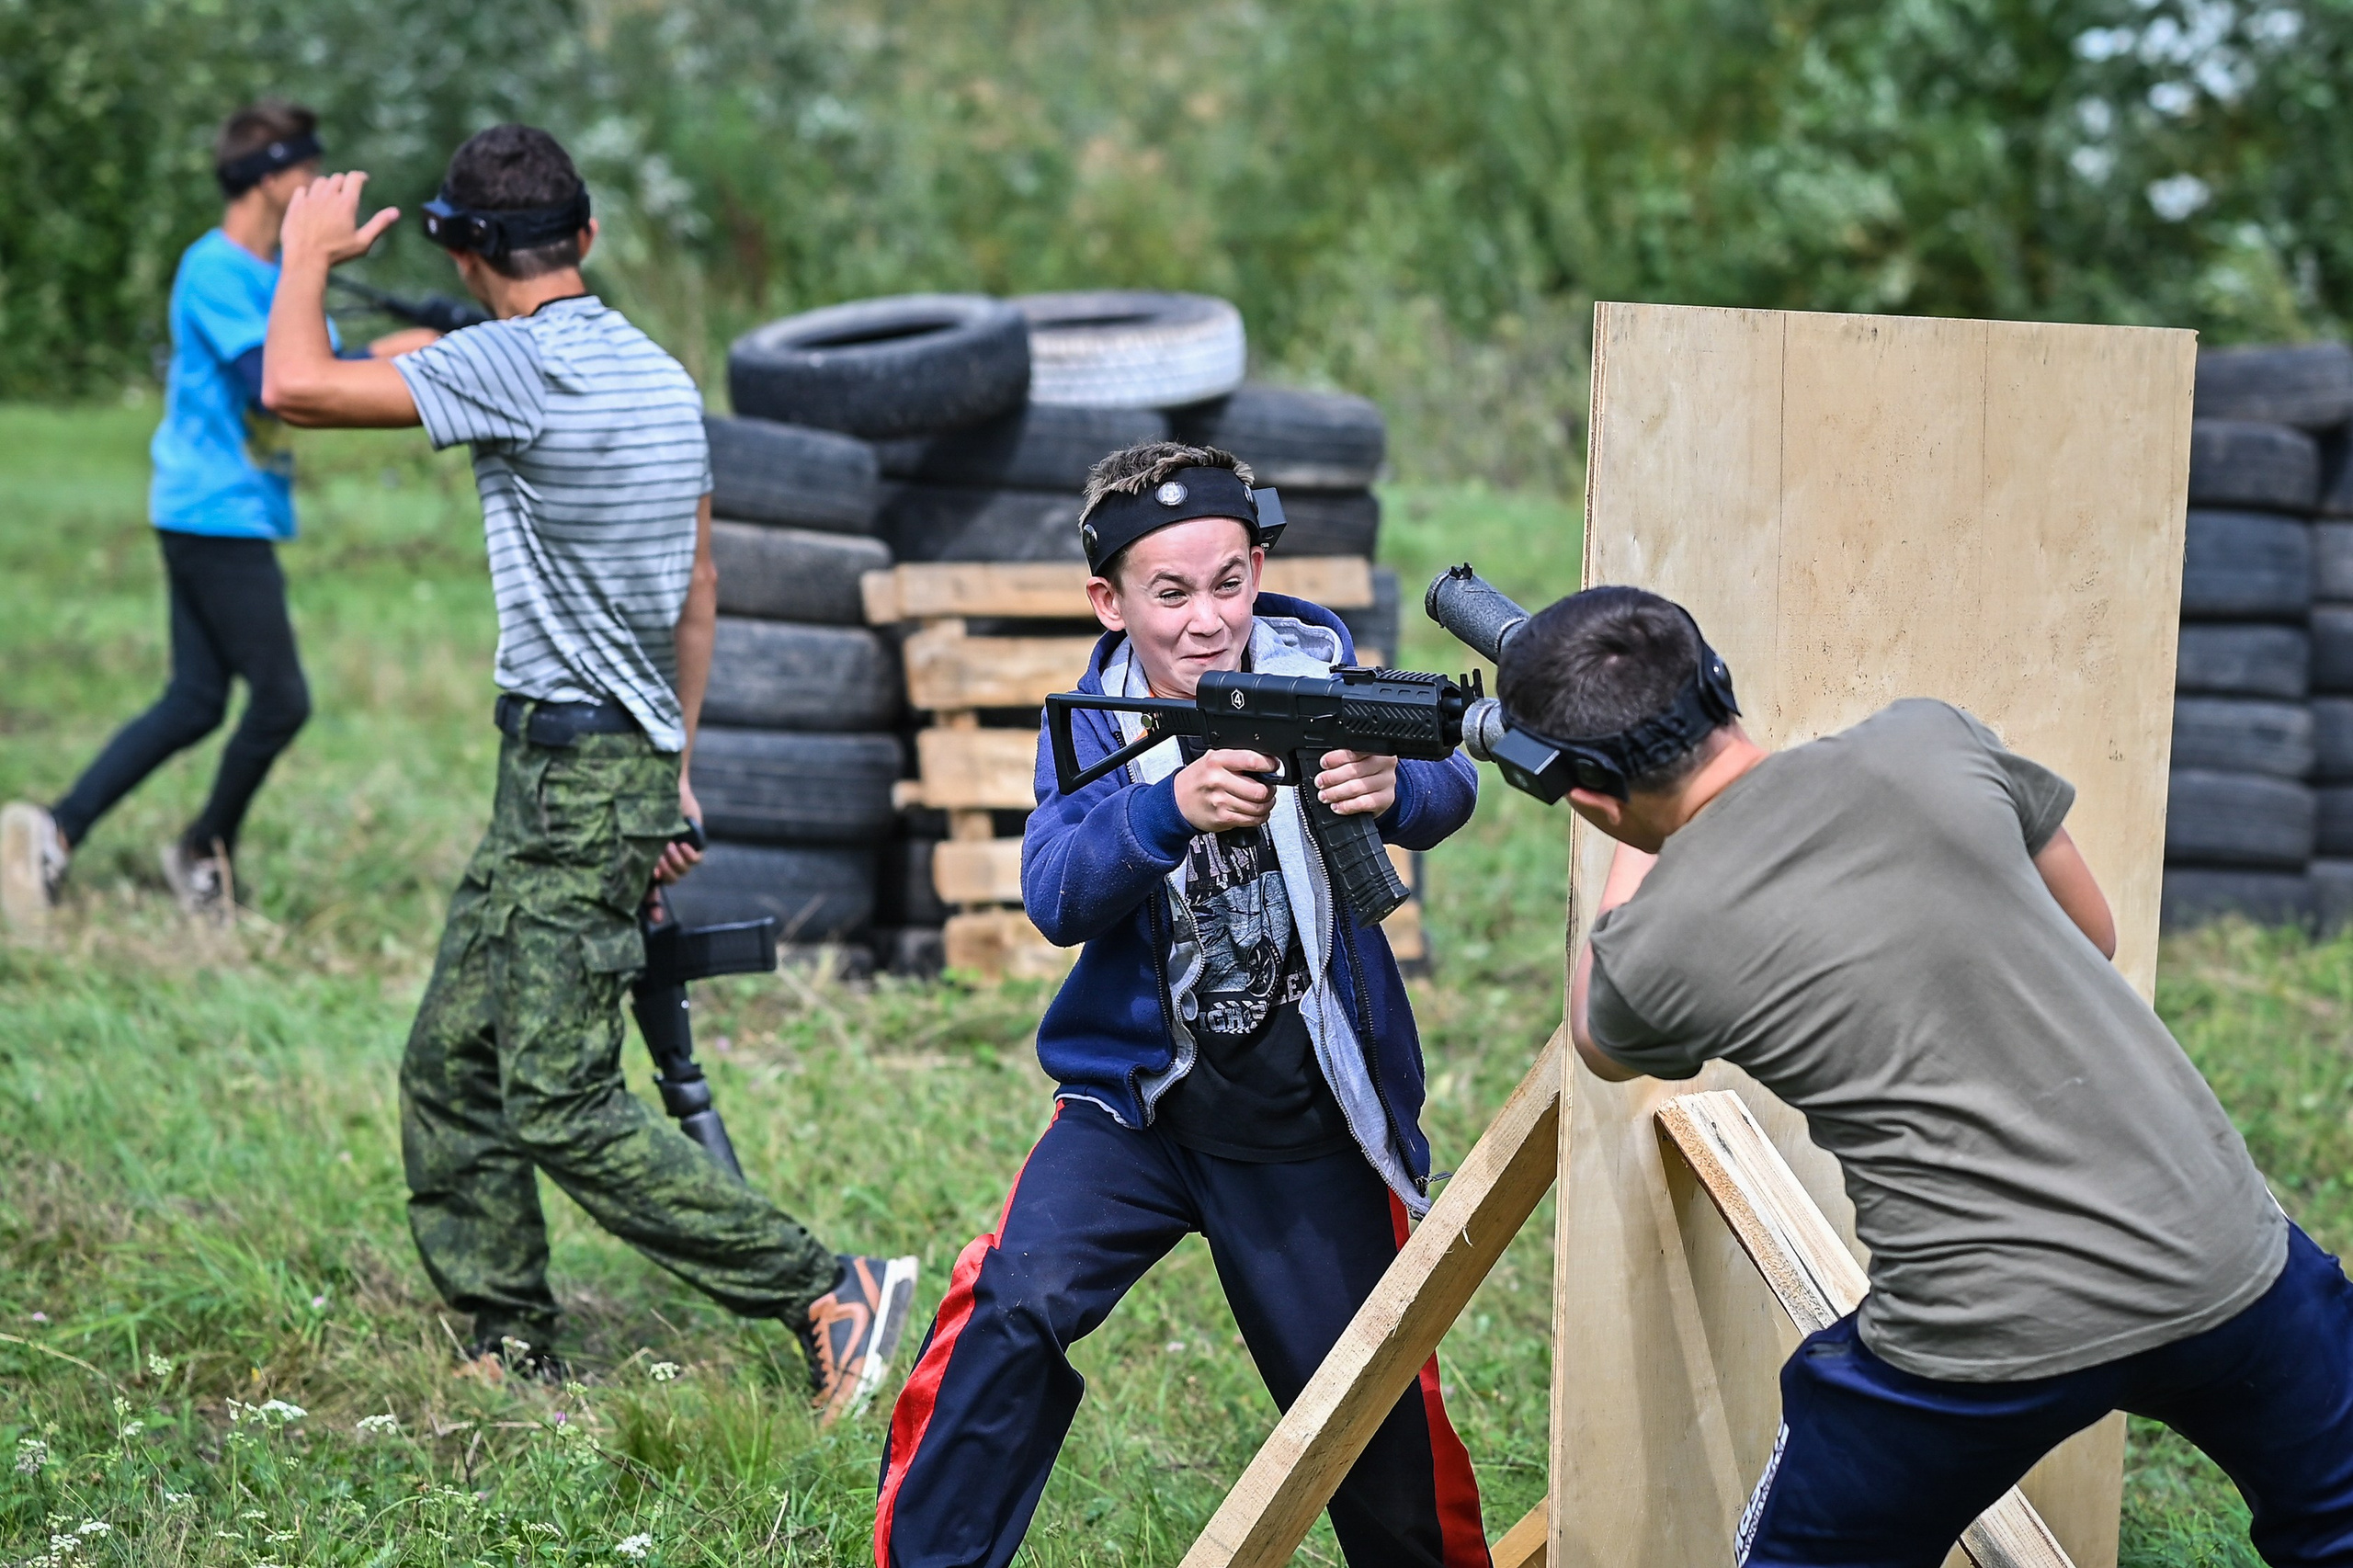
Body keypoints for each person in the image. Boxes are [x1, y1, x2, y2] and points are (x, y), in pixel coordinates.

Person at [247, 121, 915, 1415]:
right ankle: (509, 1337)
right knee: (453, 1061)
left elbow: (293, 385)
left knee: (555, 1099)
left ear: (456, 243)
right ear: (588, 236)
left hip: (571, 775)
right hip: (599, 766)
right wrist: (676, 762)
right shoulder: (659, 376)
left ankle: (824, 1283)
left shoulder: (510, 366)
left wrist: (305, 253)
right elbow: (702, 586)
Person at [1495, 585, 2353, 1566]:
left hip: (1979, 1329)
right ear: (1717, 682)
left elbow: (1596, 1037)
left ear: (1589, 797)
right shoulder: (1929, 741)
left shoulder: (1656, 949)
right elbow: (2093, 933)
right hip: (2221, 1250)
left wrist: (1628, 840)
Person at [874, 441, 1492, 1568]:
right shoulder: (1096, 728)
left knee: (1375, 1417)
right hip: (1137, 1116)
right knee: (1012, 1304)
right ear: (1108, 600)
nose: (1206, 618)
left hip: (1310, 1131)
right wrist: (1168, 809)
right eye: (1169, 594)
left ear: (1258, 566)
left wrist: (1399, 785)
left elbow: (1448, 773)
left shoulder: (1326, 670)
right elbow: (1055, 890)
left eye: (1228, 582)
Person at [0, 101, 437, 933]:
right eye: (306, 172)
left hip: (232, 509)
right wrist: (395, 353)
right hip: (212, 513)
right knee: (280, 699)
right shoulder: (214, 271)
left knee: (197, 699)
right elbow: (270, 376)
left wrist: (402, 343)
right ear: (270, 177)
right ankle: (202, 851)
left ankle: (56, 831)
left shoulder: (277, 277)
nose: (315, 186)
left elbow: (316, 357)